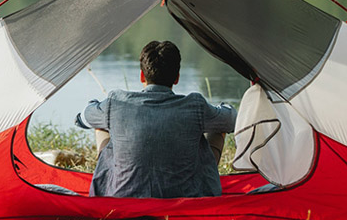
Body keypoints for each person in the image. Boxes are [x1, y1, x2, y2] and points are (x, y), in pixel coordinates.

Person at [75, 40, 236, 199]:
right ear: (177, 78)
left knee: (101, 125)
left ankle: (107, 187)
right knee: (218, 125)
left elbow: (82, 119)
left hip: (121, 197)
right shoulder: (195, 106)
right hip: (186, 198)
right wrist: (224, 107)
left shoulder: (115, 102)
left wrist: (98, 107)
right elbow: (232, 121)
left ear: (141, 75)